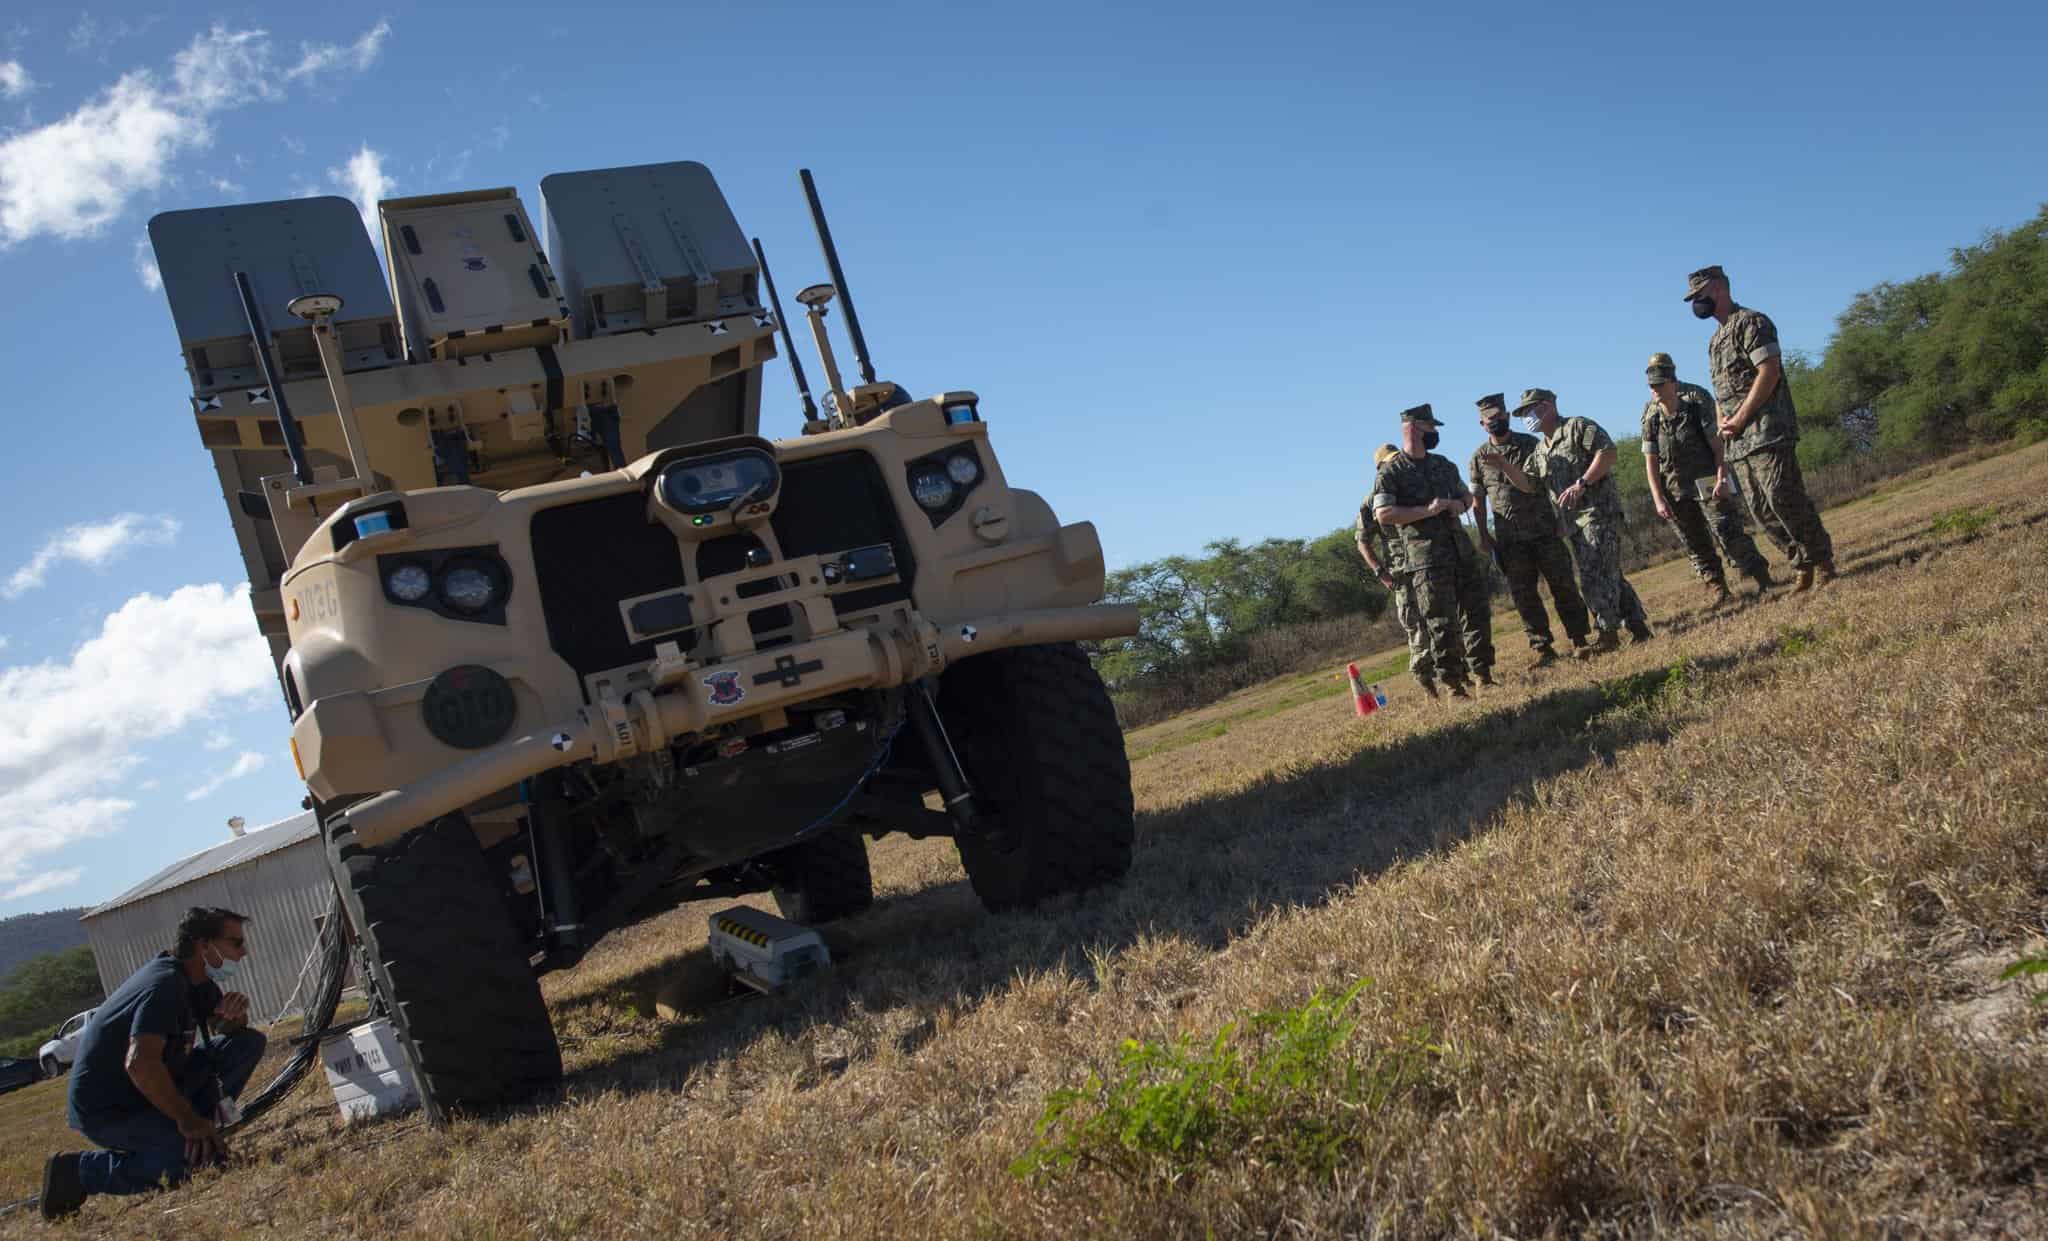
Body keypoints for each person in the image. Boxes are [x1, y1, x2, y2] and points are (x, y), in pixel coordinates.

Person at [41, 907, 266, 1219]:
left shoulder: (197, 981)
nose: (243, 953)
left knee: (248, 1043)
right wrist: (187, 1119)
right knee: (180, 1164)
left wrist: (234, 1016)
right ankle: (78, 1172)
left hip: (156, 1088)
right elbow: (140, 1065)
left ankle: (200, 1137)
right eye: (235, 943)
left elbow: (224, 1032)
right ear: (204, 946)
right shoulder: (164, 987)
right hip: (112, 1109)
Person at [1684, 265, 1836, 591]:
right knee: (1761, 510)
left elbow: (1769, 372)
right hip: (1738, 441)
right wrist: (1726, 422)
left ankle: (1822, 562)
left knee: (1783, 496)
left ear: (1718, 289)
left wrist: (1741, 417)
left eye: (1700, 295)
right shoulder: (1715, 340)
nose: (1697, 303)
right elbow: (1724, 391)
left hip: (1769, 429)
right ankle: (1801, 564)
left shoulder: (1752, 322)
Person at [1482, 389, 1651, 657]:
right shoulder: (1541, 450)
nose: (1526, 417)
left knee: (1594, 576)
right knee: (1609, 574)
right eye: (1524, 414)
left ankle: (1608, 634)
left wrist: (1582, 483)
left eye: (1530, 411)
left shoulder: (1577, 427)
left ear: (1547, 406)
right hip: (1574, 524)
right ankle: (1638, 627)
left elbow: (1607, 453)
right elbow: (1529, 484)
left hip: (1599, 513)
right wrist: (1504, 465)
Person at [1371, 403, 1496, 695]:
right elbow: (1385, 514)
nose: (1434, 433)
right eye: (1430, 428)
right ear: (1413, 428)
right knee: (1441, 624)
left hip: (1460, 551)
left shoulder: (1444, 465)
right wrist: (1426, 511)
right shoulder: (1392, 472)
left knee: (1477, 614)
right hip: (1426, 560)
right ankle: (1454, 687)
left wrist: (1457, 505)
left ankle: (1483, 676)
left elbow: (1467, 498)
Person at [1468, 392, 1591, 668]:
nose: (1495, 422)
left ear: (1507, 416)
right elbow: (1478, 501)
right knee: (1524, 596)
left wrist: (1561, 518)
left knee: (1564, 586)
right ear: (1481, 424)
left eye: (1499, 416)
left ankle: (1580, 639)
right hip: (1510, 540)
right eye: (1489, 419)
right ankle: (1542, 648)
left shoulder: (1530, 444)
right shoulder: (1479, 458)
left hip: (1545, 530)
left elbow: (1552, 484)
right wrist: (1484, 535)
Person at [1641, 351, 1774, 603]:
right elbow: (1651, 461)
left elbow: (1718, 445)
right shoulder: (1650, 414)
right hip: (1675, 488)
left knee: (1727, 528)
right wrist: (1659, 499)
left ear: (1672, 379)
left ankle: (1760, 576)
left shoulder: (1696, 399)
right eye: (1652, 386)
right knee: (1693, 541)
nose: (1656, 390)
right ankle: (1717, 589)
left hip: (1708, 479)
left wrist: (1723, 477)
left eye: (1660, 383)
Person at [1355, 443, 1442, 699]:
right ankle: (1428, 685)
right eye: (1389, 462)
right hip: (1401, 573)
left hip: (1429, 563)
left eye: (1397, 460)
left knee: (1442, 621)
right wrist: (1380, 572)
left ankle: (1453, 676)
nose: (1395, 465)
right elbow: (1362, 541)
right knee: (1417, 629)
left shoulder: (1412, 489)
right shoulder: (1371, 501)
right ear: (1379, 467)